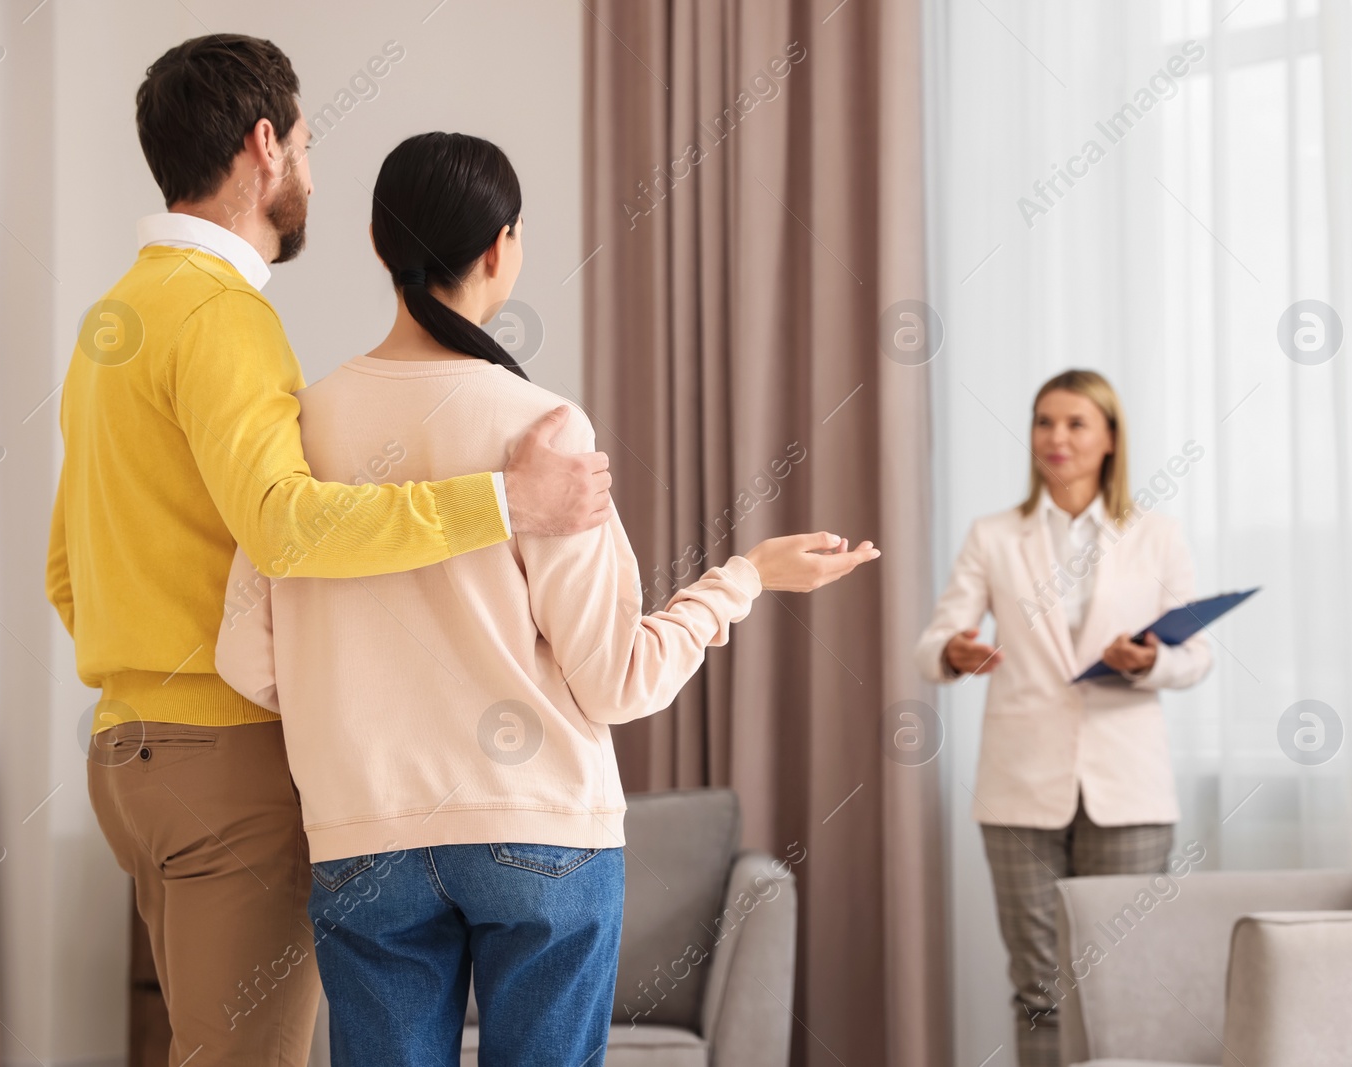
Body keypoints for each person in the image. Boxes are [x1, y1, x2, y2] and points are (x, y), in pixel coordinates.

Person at [213, 130, 880, 1067]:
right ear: (500, 249)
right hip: (539, 831)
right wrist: (746, 578)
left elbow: (244, 658)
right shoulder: (541, 426)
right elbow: (615, 681)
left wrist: (354, 705)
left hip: (362, 834)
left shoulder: (302, 424)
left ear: (376, 244)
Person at [45, 36, 613, 1067]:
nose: (308, 165)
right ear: (265, 145)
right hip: (225, 764)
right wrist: (504, 497)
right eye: (305, 142)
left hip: (125, 754)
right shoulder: (222, 317)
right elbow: (288, 526)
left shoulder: (110, 321)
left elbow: (63, 570)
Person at [914, 369, 1211, 1067]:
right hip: (1020, 787)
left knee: (1124, 980)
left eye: (1076, 423)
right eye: (1044, 421)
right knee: (1040, 985)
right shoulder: (994, 535)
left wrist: (1146, 662)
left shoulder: (1156, 535)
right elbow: (932, 644)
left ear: (1109, 437)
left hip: (1128, 787)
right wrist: (955, 651)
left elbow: (1195, 656)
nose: (1057, 437)